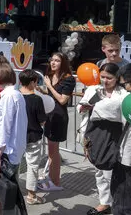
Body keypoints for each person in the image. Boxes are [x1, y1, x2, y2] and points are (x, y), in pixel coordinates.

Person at [78, 63, 125, 215]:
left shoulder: (123, 93)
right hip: (94, 133)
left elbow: (116, 111)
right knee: (98, 169)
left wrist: (96, 107)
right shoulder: (94, 89)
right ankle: (105, 202)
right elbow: (80, 108)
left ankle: (117, 202)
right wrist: (86, 106)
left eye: (109, 78)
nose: (105, 80)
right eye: (102, 77)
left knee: (111, 171)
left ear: (117, 78)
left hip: (114, 135)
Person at [0, 63, 27, 215]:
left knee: (5, 191)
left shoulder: (9, 96)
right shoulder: (15, 94)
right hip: (13, 148)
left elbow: (5, 126)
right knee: (11, 187)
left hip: (7, 151)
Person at [38, 52, 76, 191]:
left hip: (59, 116)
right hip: (49, 115)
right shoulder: (50, 76)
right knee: (51, 151)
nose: (53, 63)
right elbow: (50, 95)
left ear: (63, 63)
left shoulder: (68, 79)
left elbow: (62, 100)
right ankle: (52, 179)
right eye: (52, 60)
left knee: (54, 151)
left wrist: (49, 85)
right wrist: (41, 90)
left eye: (57, 61)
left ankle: (56, 182)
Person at [19, 69, 47, 205]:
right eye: (36, 82)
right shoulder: (37, 99)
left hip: (18, 136)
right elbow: (42, 120)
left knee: (15, 164)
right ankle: (31, 195)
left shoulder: (15, 96)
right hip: (33, 135)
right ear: (32, 82)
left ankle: (12, 190)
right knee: (33, 166)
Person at [111, 63, 131, 214]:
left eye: (124, 84)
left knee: (124, 198)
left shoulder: (126, 99)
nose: (123, 88)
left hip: (129, 157)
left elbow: (102, 110)